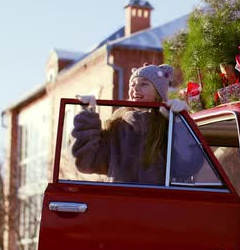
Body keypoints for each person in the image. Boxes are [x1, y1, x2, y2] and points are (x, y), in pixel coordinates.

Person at [71, 63, 204, 185]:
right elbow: (86, 162)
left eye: (144, 84)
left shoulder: (166, 123)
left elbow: (188, 166)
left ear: (158, 93)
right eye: (132, 84)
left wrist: (179, 122)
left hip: (159, 205)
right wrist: (88, 114)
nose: (136, 89)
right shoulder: (117, 125)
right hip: (118, 204)